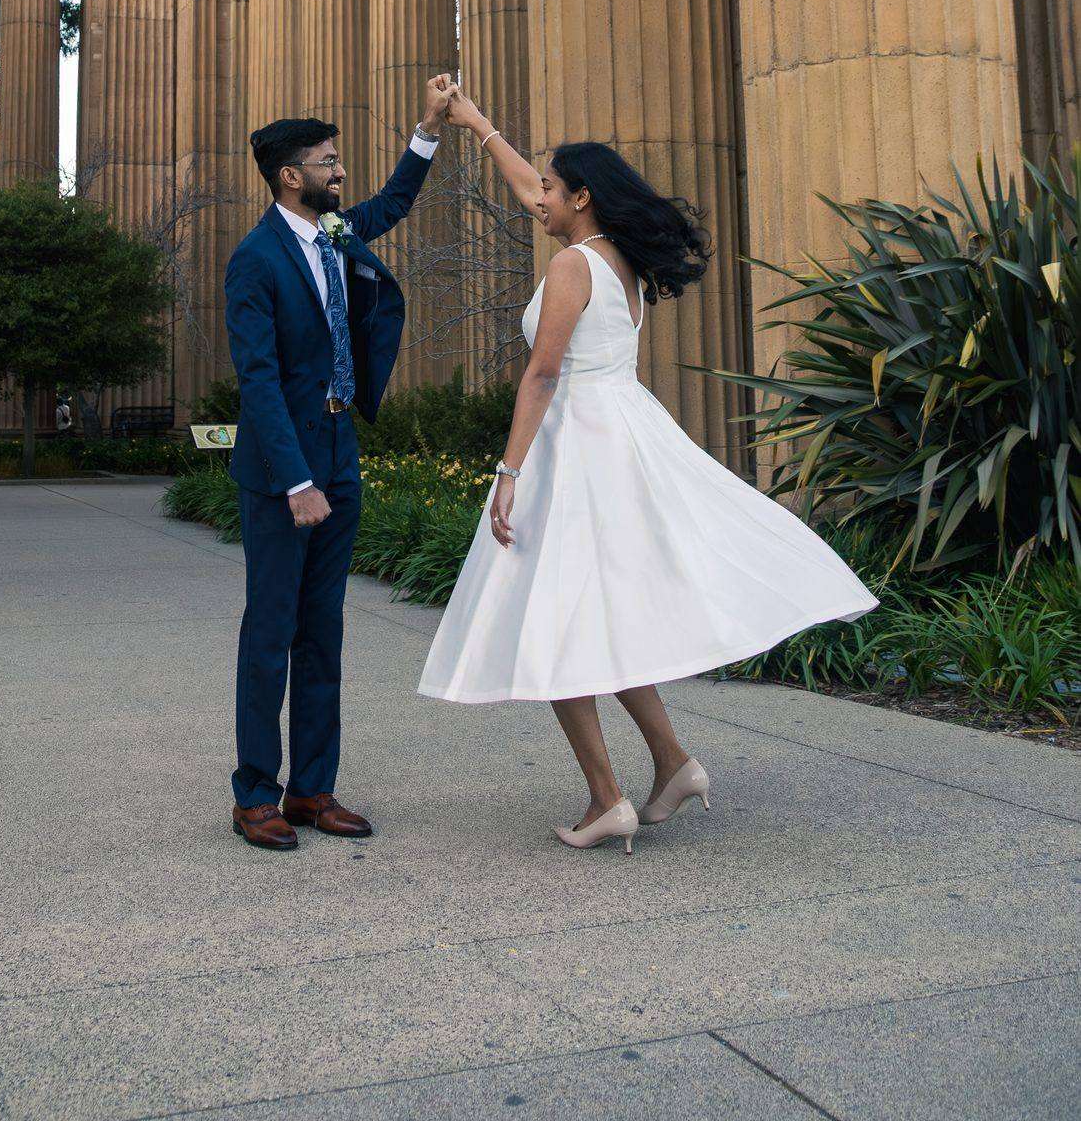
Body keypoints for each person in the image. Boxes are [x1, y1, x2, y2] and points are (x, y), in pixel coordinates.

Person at [419, 91, 878, 853]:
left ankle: (606, 799)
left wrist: (507, 472)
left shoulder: (571, 266)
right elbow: (527, 189)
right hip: (621, 437)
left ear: (582, 198)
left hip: (575, 448)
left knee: (554, 621)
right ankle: (671, 764)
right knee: (601, 620)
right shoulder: (616, 262)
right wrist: (474, 123)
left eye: (553, 190)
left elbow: (540, 375)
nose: (539, 199)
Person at [224, 74, 456, 851]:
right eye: (327, 161)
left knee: (323, 635)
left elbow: (391, 203)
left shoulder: (332, 234)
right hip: (281, 473)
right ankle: (254, 793)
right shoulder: (254, 260)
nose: (339, 171)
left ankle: (310, 791)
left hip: (339, 453)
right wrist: (295, 481)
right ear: (291, 176)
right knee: (271, 632)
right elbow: (255, 380)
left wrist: (427, 128)